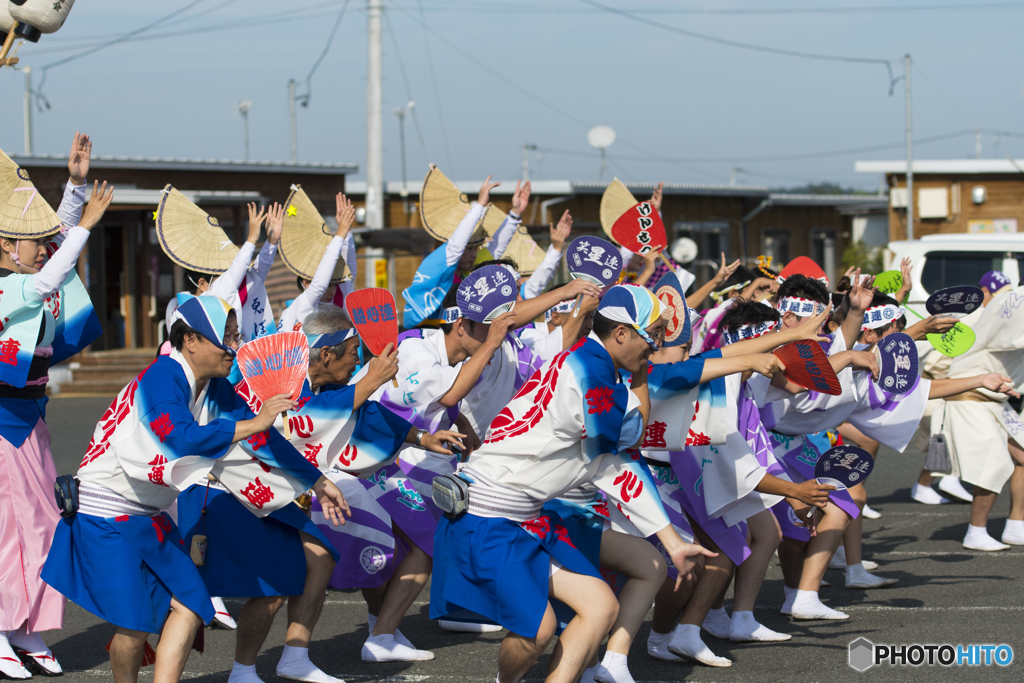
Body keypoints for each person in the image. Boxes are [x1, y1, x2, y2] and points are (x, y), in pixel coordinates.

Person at [42, 296, 349, 683]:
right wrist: (255, 423)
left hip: (148, 514)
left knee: (190, 605)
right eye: (226, 337)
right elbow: (179, 436)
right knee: (134, 625)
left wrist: (318, 481)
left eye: (235, 336)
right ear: (190, 340)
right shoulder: (161, 376)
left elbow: (263, 441)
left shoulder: (213, 387)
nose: (234, 346)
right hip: (105, 512)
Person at [431, 284, 717, 683]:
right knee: (538, 629)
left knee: (599, 607)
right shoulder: (592, 374)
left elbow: (611, 462)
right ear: (621, 333)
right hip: (488, 515)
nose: (655, 347)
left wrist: (671, 541)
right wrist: (670, 539)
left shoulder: (586, 362)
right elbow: (622, 453)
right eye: (651, 336)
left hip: (523, 515)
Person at [0, 135, 107, 679]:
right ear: (3, 245)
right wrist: (85, 224)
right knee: (4, 527)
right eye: (28, 242)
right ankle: (1, 625)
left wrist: (75, 187)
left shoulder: (21, 277)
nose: (42, 247)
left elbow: (54, 247)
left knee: (43, 522)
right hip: (1, 421)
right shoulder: (4, 288)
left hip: (30, 419)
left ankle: (28, 627)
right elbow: (50, 270)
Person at [279, 194, 358, 332]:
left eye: (334, 285)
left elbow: (349, 274)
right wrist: (340, 234)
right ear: (305, 283)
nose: (332, 290)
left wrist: (347, 231)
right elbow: (319, 286)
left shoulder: (340, 299)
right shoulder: (303, 305)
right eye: (328, 285)